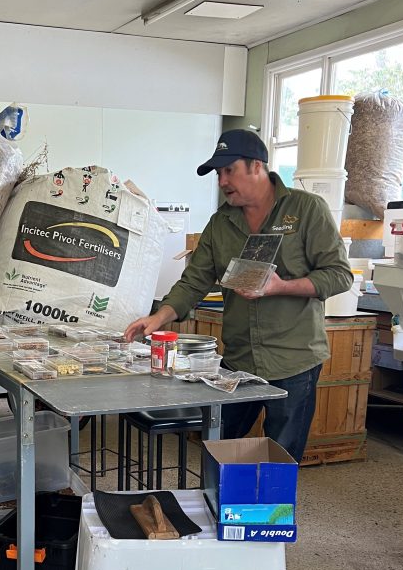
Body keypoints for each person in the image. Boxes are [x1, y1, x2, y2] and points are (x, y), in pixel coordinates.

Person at [125, 129, 353, 463]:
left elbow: (339, 274)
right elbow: (194, 281)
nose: (222, 181)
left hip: (294, 360)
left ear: (257, 166)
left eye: (229, 170)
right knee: (218, 451)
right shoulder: (220, 224)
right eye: (218, 173)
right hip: (239, 363)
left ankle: (268, 516)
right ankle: (217, 512)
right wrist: (158, 317)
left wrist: (280, 286)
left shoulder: (307, 210)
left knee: (281, 461)